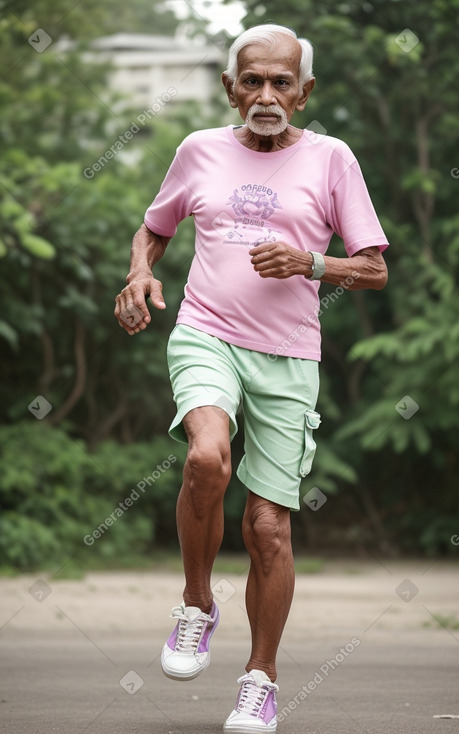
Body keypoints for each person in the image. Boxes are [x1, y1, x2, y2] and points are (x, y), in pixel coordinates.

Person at [114, 23, 389, 734]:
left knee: (267, 528)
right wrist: (141, 272)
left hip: (289, 357)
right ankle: (196, 604)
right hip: (206, 333)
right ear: (231, 88)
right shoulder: (198, 150)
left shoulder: (332, 159)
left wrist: (309, 264)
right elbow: (155, 225)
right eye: (253, 82)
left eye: (281, 83)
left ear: (304, 92)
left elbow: (374, 267)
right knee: (206, 456)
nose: (266, 95)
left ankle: (259, 678)